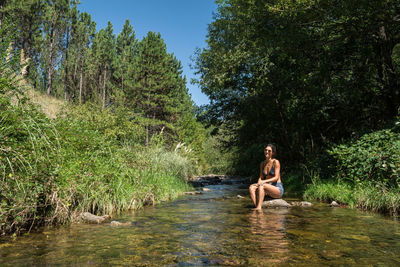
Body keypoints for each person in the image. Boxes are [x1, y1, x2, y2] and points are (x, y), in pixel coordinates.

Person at [249, 144, 284, 210]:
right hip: (266, 187)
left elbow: (276, 177)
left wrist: (263, 182)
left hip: (277, 189)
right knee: (251, 187)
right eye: (265, 150)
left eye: (269, 151)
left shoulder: (276, 162)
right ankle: (256, 205)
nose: (267, 152)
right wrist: (258, 183)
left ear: (273, 153)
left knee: (263, 185)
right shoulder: (262, 163)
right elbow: (261, 177)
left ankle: (259, 208)